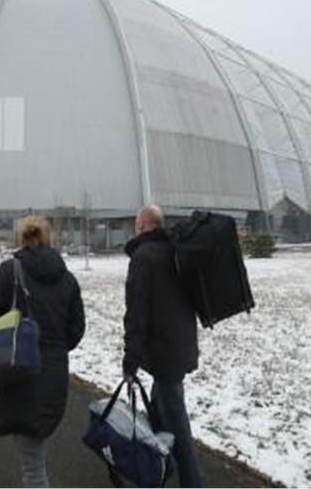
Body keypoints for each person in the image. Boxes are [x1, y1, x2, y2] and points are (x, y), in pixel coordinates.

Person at [0, 216, 86, 488]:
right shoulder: (68, 278)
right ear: (49, 238)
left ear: (22, 238)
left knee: (33, 467)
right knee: (35, 450)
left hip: (19, 371)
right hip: (54, 372)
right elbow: (76, 329)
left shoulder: (9, 271)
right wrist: (55, 349)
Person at [122, 205, 203, 488]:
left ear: (143, 226)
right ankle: (157, 473)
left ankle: (192, 483)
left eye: (136, 224)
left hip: (163, 354)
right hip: (180, 347)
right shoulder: (175, 251)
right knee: (159, 417)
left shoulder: (143, 257)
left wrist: (130, 360)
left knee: (178, 429)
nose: (135, 228)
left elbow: (137, 313)